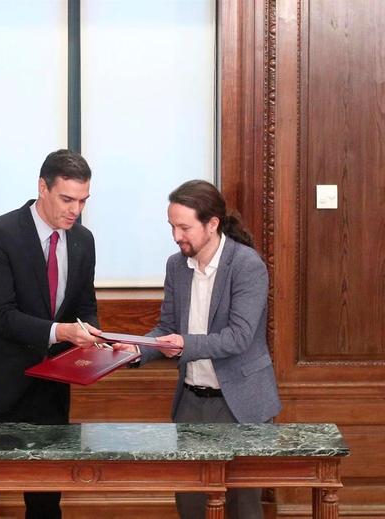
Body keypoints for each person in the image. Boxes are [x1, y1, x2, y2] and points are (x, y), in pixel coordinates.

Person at [115, 179, 281, 519]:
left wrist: (184, 344)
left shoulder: (246, 265)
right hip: (191, 402)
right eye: (172, 226)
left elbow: (239, 337)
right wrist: (134, 350)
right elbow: (167, 329)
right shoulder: (176, 266)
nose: (177, 236)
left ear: (212, 224)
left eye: (184, 227)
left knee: (242, 507)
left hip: (240, 405)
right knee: (190, 504)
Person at [0, 149, 101, 519]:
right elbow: (0, 315)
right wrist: (60, 331)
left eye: (83, 201)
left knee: (45, 504)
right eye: (67, 199)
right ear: (42, 187)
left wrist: (94, 337)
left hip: (48, 394)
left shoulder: (83, 241)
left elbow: (84, 305)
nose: (75, 210)